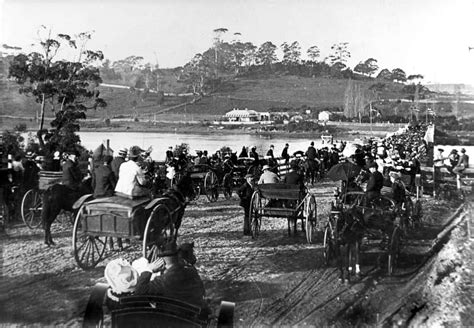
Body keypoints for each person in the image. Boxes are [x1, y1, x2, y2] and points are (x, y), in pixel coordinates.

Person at [134, 240, 210, 315]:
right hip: (196, 317)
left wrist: (149, 269)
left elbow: (140, 291)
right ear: (179, 257)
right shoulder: (192, 272)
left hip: (175, 319)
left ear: (162, 261)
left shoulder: (163, 281)